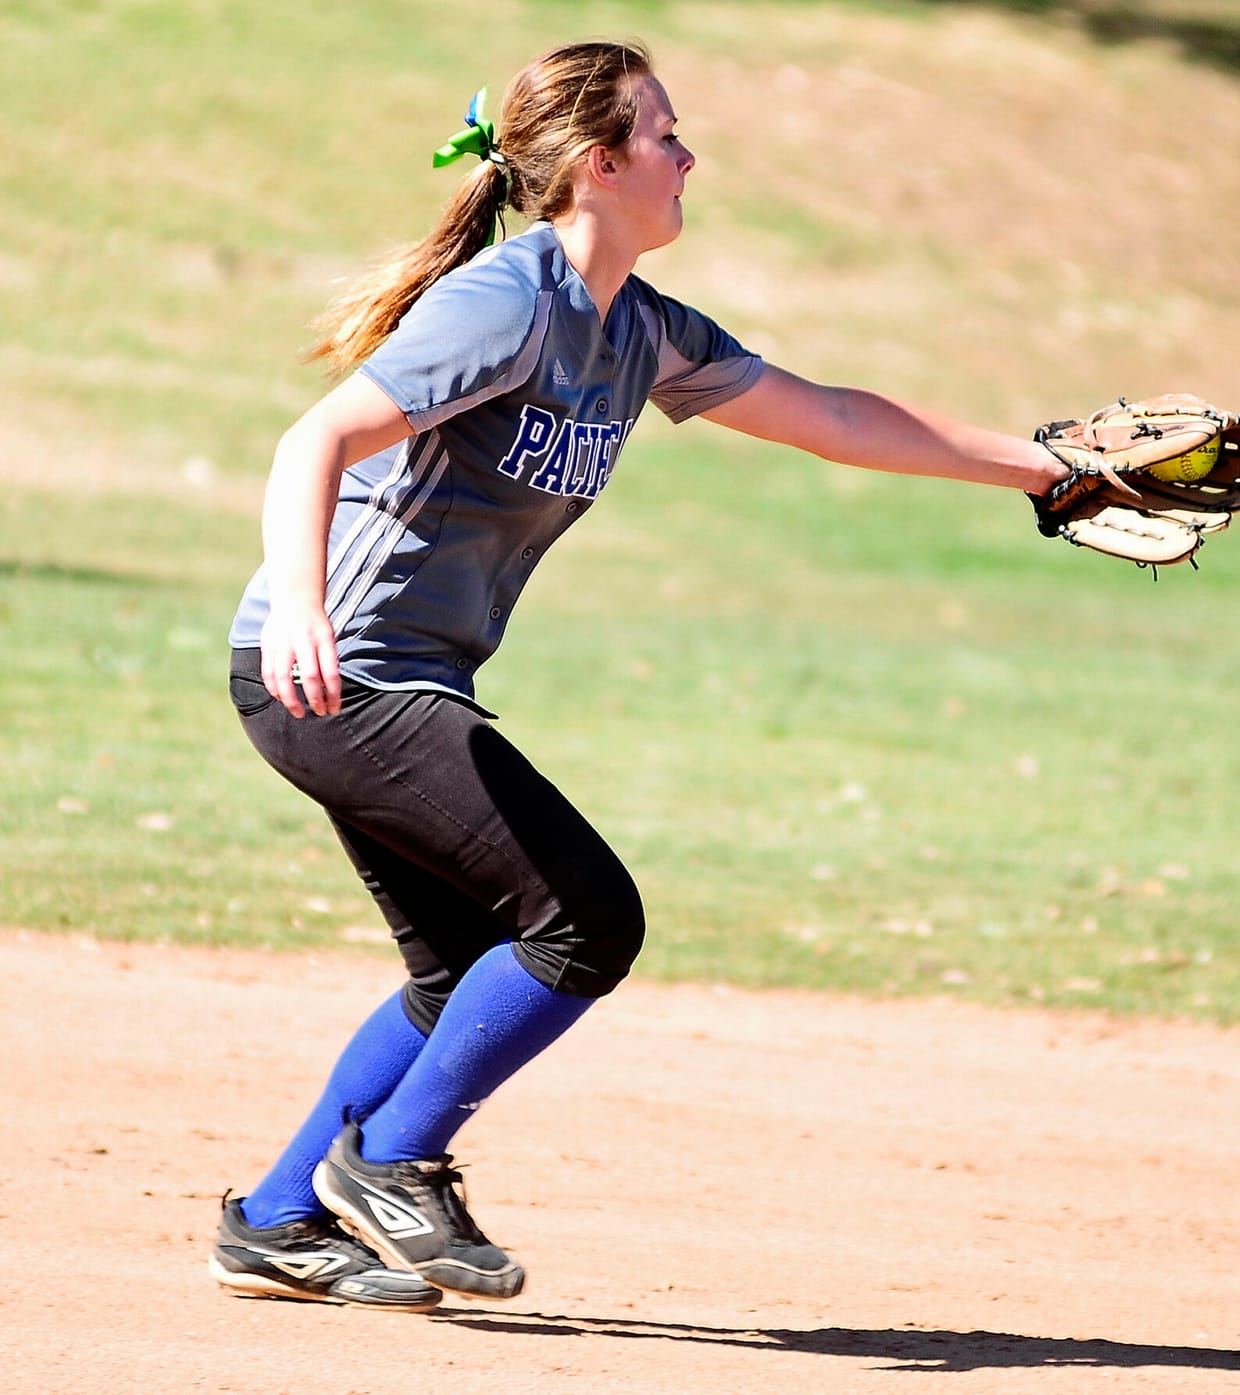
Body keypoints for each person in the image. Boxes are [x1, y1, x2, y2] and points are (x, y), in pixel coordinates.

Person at [209, 39, 1072, 1311]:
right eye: (665, 134)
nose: (687, 154)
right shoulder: (512, 300)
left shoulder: (641, 332)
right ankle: (390, 1163)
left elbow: (833, 417)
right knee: (584, 918)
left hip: (390, 679)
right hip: (337, 672)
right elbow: (316, 438)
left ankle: (282, 1218)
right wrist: (299, 612)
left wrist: (1048, 469)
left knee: (460, 972)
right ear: (600, 166)